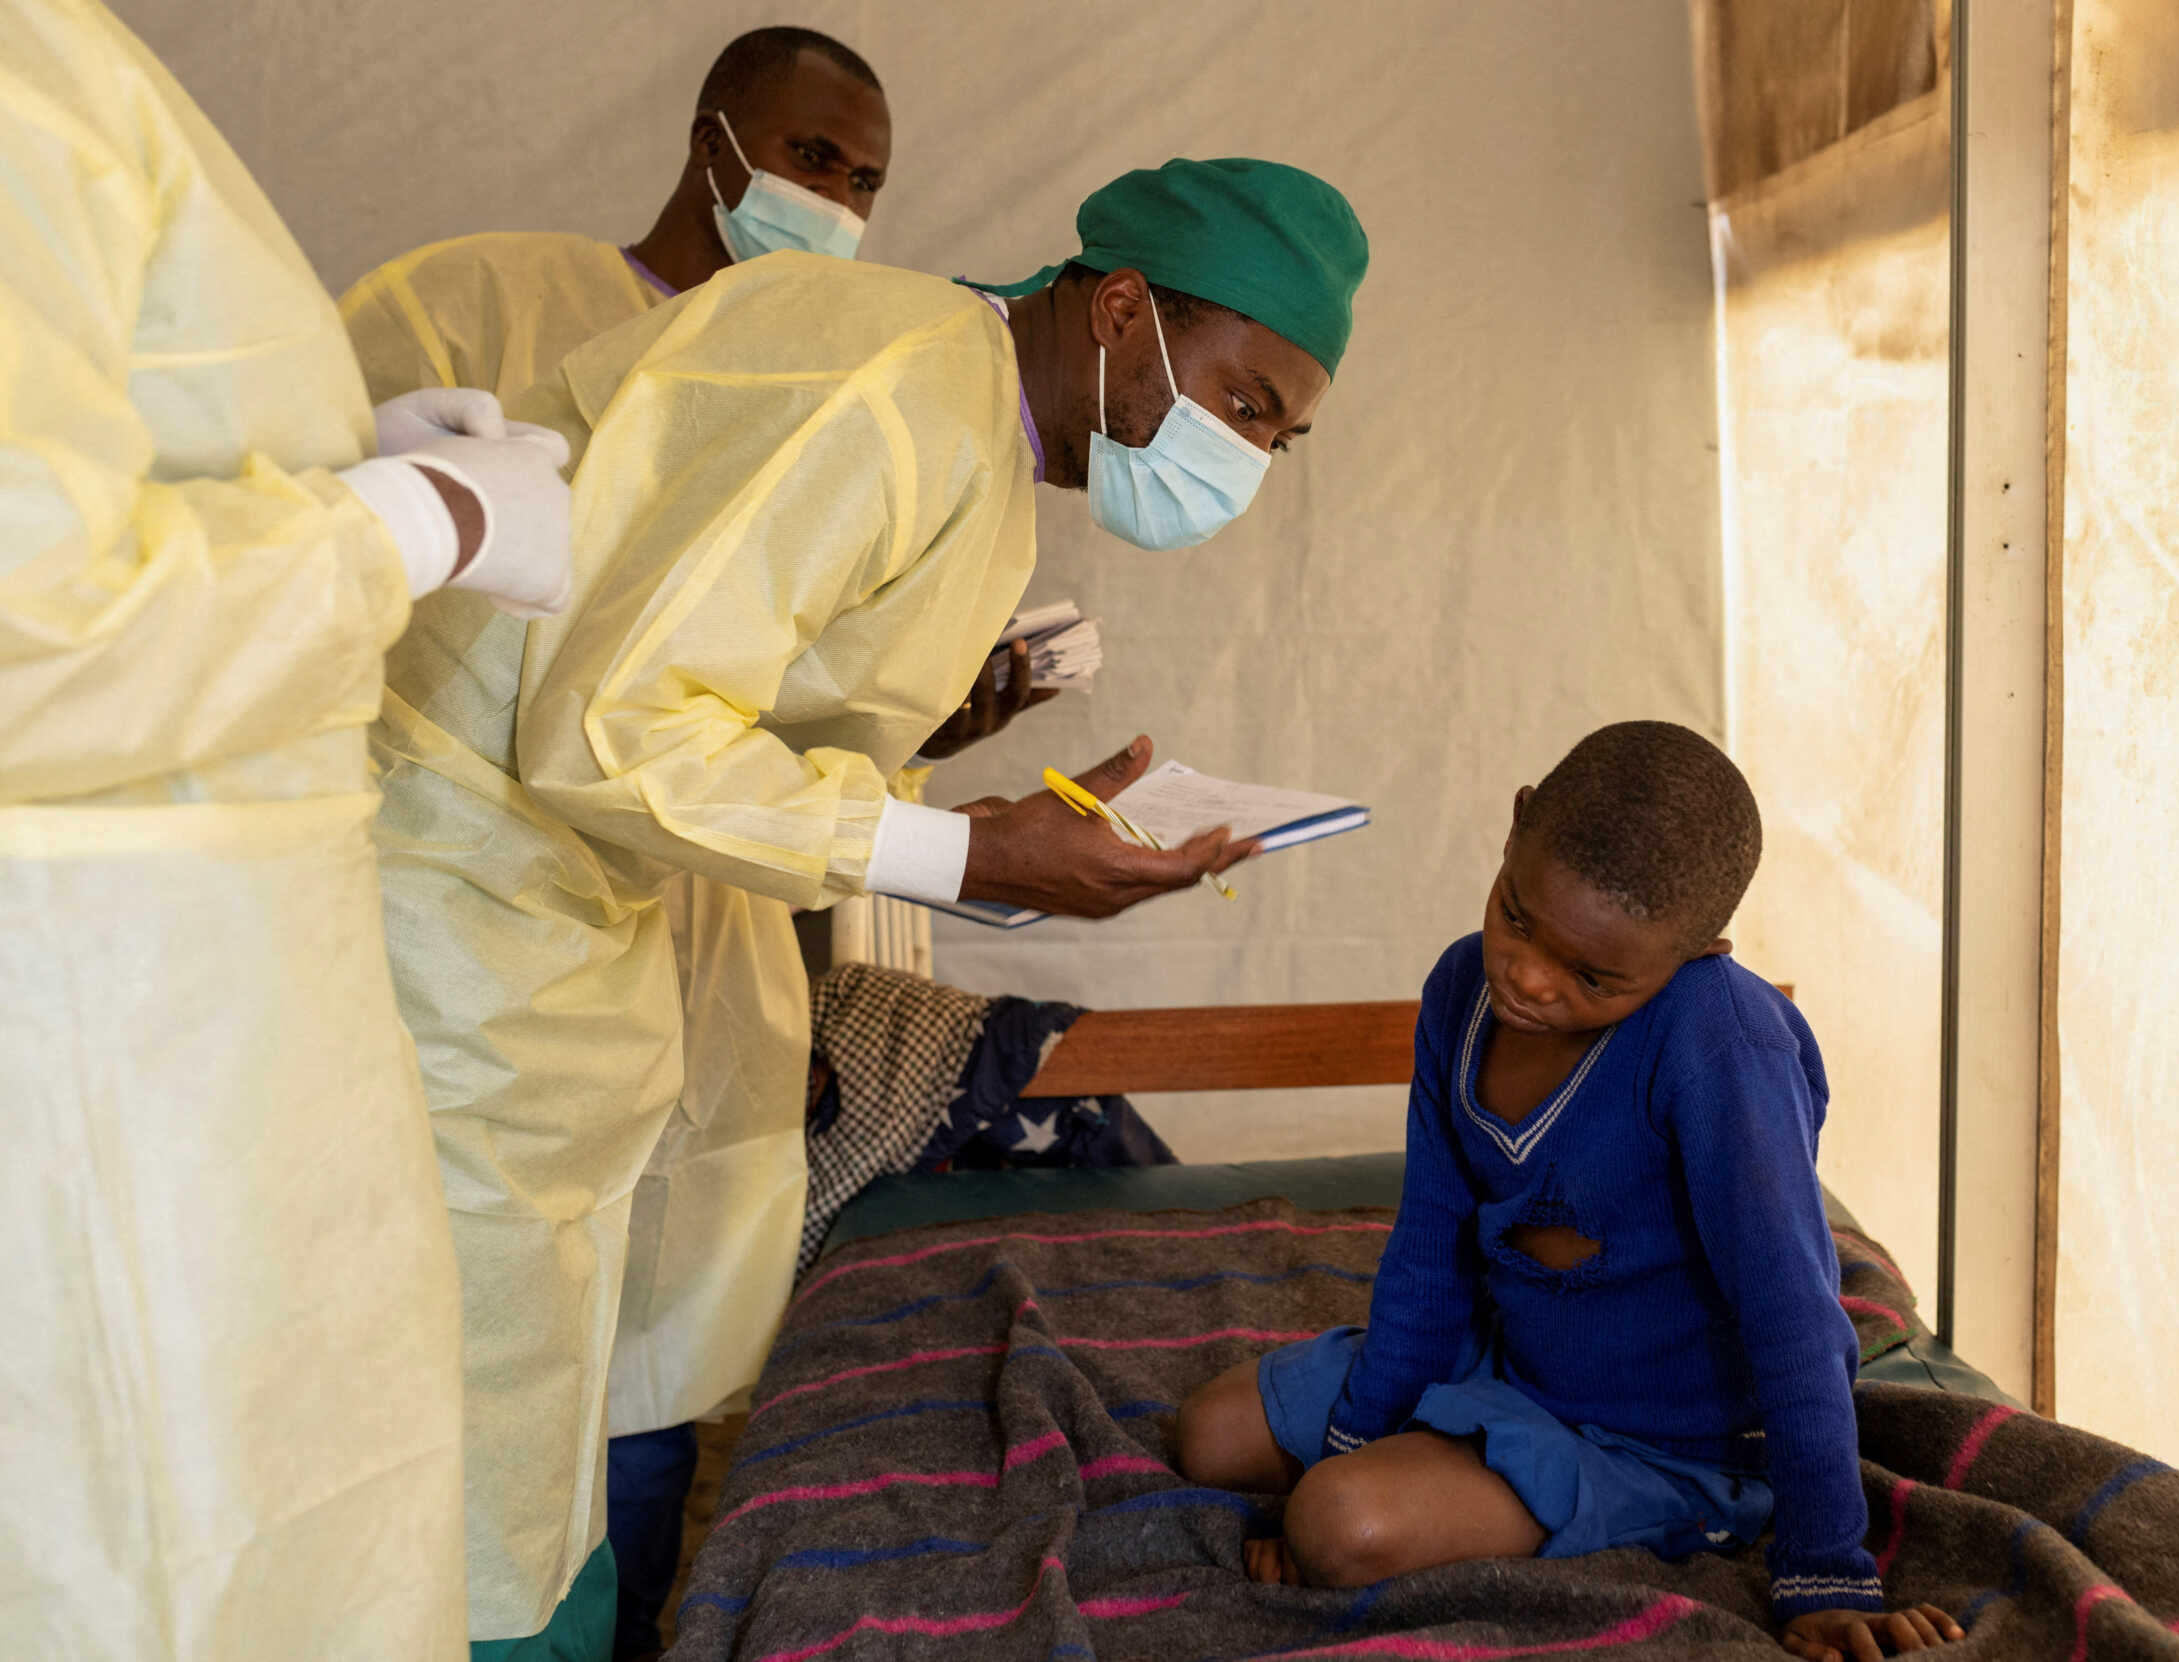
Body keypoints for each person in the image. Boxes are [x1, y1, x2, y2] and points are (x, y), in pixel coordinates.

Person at [364, 156, 1366, 1657]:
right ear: (1118, 309)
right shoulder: (894, 384)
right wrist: (971, 860)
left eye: (1283, 436)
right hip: (460, 895)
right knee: (452, 1414)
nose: (1253, 458)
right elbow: (614, 727)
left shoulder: (976, 434)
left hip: (568, 904)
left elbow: (753, 710)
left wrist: (978, 808)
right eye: (1244, 403)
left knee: (554, 1380)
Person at [336, 30, 1040, 1653]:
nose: (838, 199)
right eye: (811, 157)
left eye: (865, 179)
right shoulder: (488, 304)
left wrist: (928, 730)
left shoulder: (850, 363)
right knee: (445, 1387)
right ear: (717, 136)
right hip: (463, 950)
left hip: (703, 969)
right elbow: (327, 566)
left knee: (646, 1394)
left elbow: (748, 724)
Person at [0, 0, 579, 1656]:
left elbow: (88, 445)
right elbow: (25, 630)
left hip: (202, 1026)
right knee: (168, 1568)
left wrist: (338, 459)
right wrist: (415, 520)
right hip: (110, 1052)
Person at [1169, 722, 1967, 1662]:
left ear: (1700, 950)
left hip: (1660, 1437)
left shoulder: (1721, 1045)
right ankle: (1425, 1451)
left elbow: (1791, 1309)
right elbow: (1431, 1240)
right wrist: (1360, 1435)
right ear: (1515, 830)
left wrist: (1827, 1564)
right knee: (1210, 1437)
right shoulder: (1459, 989)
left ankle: (1679, 1509)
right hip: (1505, 1358)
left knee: (1341, 1527)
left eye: (1592, 977)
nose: (1529, 978)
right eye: (1517, 917)